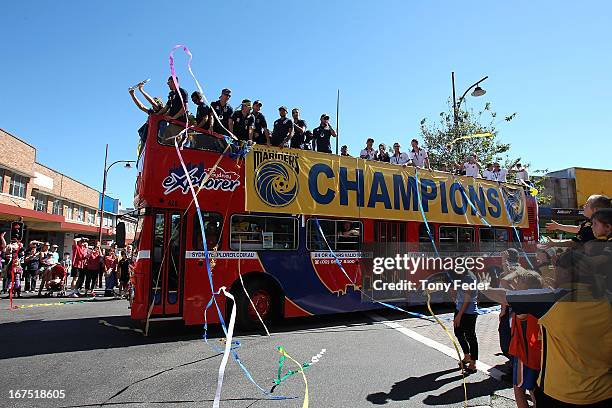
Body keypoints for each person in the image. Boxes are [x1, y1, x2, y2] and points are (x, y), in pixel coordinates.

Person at [481, 250, 612, 407]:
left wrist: (481, 286)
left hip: (561, 393)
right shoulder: (606, 299)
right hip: (605, 391)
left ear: (564, 273)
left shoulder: (552, 300)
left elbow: (504, 295)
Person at [544, 195, 610, 249]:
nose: (583, 206)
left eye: (587, 204)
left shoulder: (591, 228)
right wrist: (558, 226)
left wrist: (555, 243)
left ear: (596, 210)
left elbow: (574, 243)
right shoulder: (588, 222)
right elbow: (577, 229)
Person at [453, 270, 479, 374]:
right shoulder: (461, 276)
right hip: (460, 309)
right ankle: (467, 356)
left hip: (468, 312)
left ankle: (473, 363)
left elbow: (467, 298)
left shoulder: (469, 278)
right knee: (458, 332)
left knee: (470, 337)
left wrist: (459, 315)